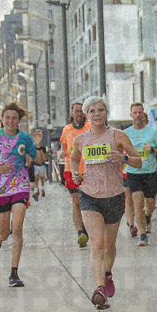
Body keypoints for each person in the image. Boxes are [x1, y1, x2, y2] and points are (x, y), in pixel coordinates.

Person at [70, 96, 140, 308]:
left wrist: (124, 159)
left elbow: (138, 161)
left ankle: (107, 274)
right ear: (86, 115)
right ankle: (99, 288)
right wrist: (75, 172)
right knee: (97, 243)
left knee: (109, 246)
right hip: (89, 194)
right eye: (92, 111)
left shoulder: (118, 135)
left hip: (114, 195)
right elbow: (74, 158)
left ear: (106, 113)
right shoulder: (80, 140)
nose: (97, 114)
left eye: (101, 110)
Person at [0, 103, 43, 288]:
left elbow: (38, 160)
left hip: (19, 185)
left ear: (18, 120)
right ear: (2, 119)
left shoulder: (24, 138)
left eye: (14, 118)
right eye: (7, 118)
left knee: (18, 228)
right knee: (5, 232)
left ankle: (14, 273)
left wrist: (37, 146)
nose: (11, 121)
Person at [122, 102, 157, 246]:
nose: (137, 115)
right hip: (133, 172)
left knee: (150, 204)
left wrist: (152, 150)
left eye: (139, 112)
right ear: (131, 115)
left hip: (149, 171)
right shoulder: (126, 133)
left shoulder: (153, 132)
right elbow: (118, 149)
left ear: (143, 114)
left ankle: (147, 216)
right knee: (137, 200)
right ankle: (142, 234)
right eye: (134, 113)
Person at [61, 102, 90, 247]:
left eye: (81, 111)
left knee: (89, 201)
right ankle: (81, 232)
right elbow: (63, 147)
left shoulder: (90, 127)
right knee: (76, 201)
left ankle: (89, 227)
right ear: (72, 113)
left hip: (89, 169)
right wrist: (62, 152)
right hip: (71, 169)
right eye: (76, 111)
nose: (78, 114)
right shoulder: (66, 129)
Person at [31, 128, 48, 201]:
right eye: (36, 132)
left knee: (41, 178)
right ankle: (36, 190)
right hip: (34, 165)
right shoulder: (31, 146)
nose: (38, 134)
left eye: (39, 132)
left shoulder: (43, 147)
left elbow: (44, 156)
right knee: (36, 178)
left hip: (41, 165)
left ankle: (42, 188)